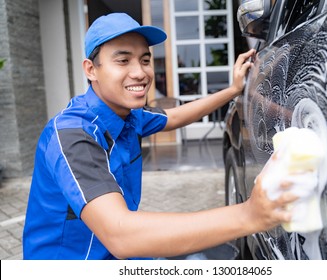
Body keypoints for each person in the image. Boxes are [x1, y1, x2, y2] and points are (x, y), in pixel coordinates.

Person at [23, 12, 296, 260]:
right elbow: (121, 236)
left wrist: (232, 90)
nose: (140, 72)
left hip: (120, 254)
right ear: (91, 69)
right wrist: (250, 214)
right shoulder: (73, 134)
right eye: (123, 60)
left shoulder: (128, 116)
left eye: (145, 60)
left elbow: (175, 116)